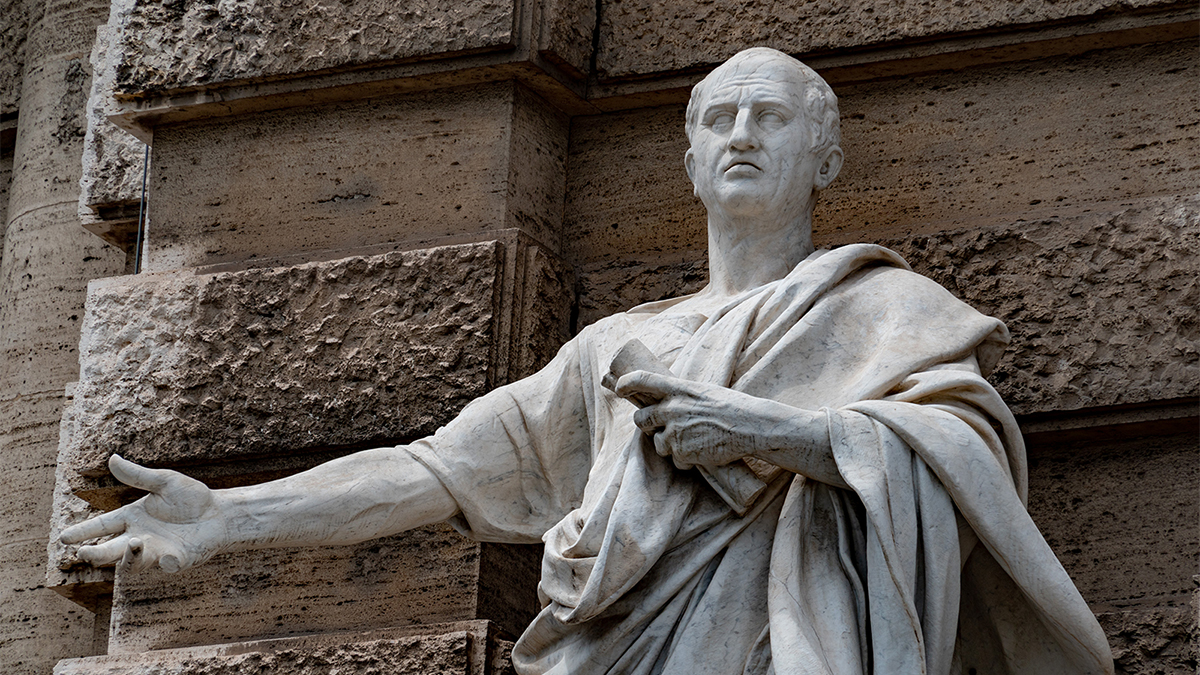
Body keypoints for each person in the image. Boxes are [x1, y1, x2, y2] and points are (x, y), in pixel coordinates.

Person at [62, 48, 1114, 675]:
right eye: (719, 118)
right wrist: (230, 517)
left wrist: (775, 433)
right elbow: (434, 470)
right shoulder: (615, 349)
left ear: (825, 155)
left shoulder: (889, 313)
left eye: (771, 116)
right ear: (691, 162)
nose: (742, 133)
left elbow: (966, 467)